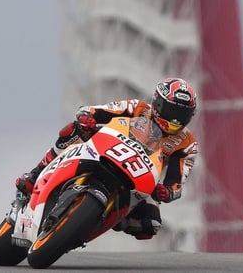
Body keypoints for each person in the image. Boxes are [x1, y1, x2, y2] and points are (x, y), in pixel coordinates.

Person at [15, 77, 199, 241]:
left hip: (141, 175)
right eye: (171, 110)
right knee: (73, 130)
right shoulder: (137, 108)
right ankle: (35, 174)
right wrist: (88, 117)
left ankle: (112, 219)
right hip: (108, 147)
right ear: (158, 103)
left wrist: (167, 191)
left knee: (151, 225)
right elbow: (100, 110)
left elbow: (178, 180)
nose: (175, 120)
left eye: (181, 115)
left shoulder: (187, 143)